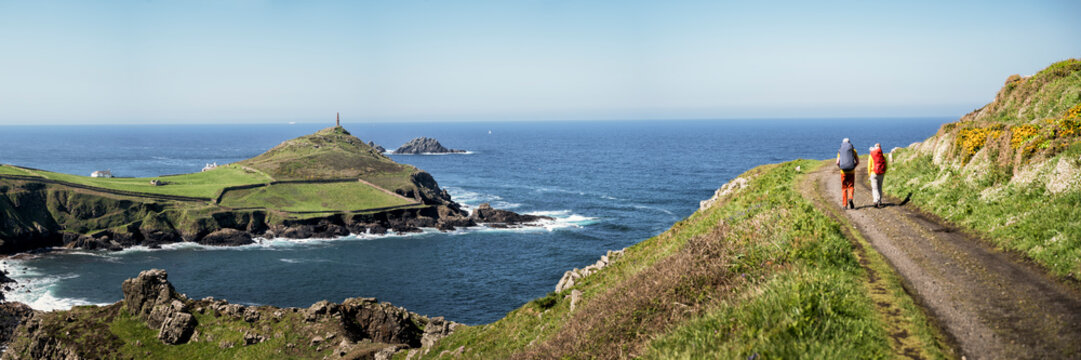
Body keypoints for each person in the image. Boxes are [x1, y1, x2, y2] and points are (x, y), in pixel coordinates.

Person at [836, 138, 858, 209]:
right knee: (851, 186)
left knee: (844, 188)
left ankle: (845, 205)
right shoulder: (853, 150)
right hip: (851, 171)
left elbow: (837, 162)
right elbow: (857, 162)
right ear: (849, 143)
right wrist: (853, 167)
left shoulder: (840, 151)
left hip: (843, 172)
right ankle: (850, 198)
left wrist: (840, 167)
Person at [868, 143, 888, 208]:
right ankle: (879, 201)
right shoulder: (882, 156)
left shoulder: (871, 155)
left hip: (873, 173)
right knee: (879, 187)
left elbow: (869, 166)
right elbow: (886, 165)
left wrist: (869, 174)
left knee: (874, 188)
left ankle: (876, 200)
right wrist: (884, 172)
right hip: (881, 173)